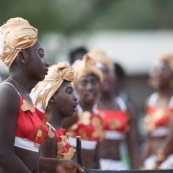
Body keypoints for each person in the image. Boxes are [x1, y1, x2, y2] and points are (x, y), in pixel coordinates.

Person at [0, 17, 84, 173]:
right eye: (40, 54)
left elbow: (27, 157)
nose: (46, 62)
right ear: (22, 57)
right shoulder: (7, 92)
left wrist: (57, 165)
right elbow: (3, 155)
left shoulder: (25, 95)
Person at [88, 49, 139, 170]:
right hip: (96, 168)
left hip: (120, 166)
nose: (104, 77)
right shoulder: (89, 106)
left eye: (107, 71)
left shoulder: (126, 107)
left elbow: (132, 145)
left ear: (114, 74)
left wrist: (136, 169)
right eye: (99, 73)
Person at [63, 55, 105, 169]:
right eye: (84, 82)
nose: (90, 87)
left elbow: (96, 160)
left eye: (93, 82)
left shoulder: (99, 117)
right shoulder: (72, 113)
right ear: (75, 87)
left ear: (100, 86)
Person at [31, 62, 77, 164]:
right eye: (69, 92)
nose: (75, 98)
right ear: (51, 98)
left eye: (74, 92)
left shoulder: (58, 130)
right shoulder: (48, 133)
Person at [142, 53, 173, 169]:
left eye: (163, 70)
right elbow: (149, 137)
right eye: (155, 70)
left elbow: (171, 137)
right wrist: (146, 161)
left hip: (169, 160)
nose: (158, 73)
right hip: (154, 160)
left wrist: (158, 162)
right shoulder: (151, 100)